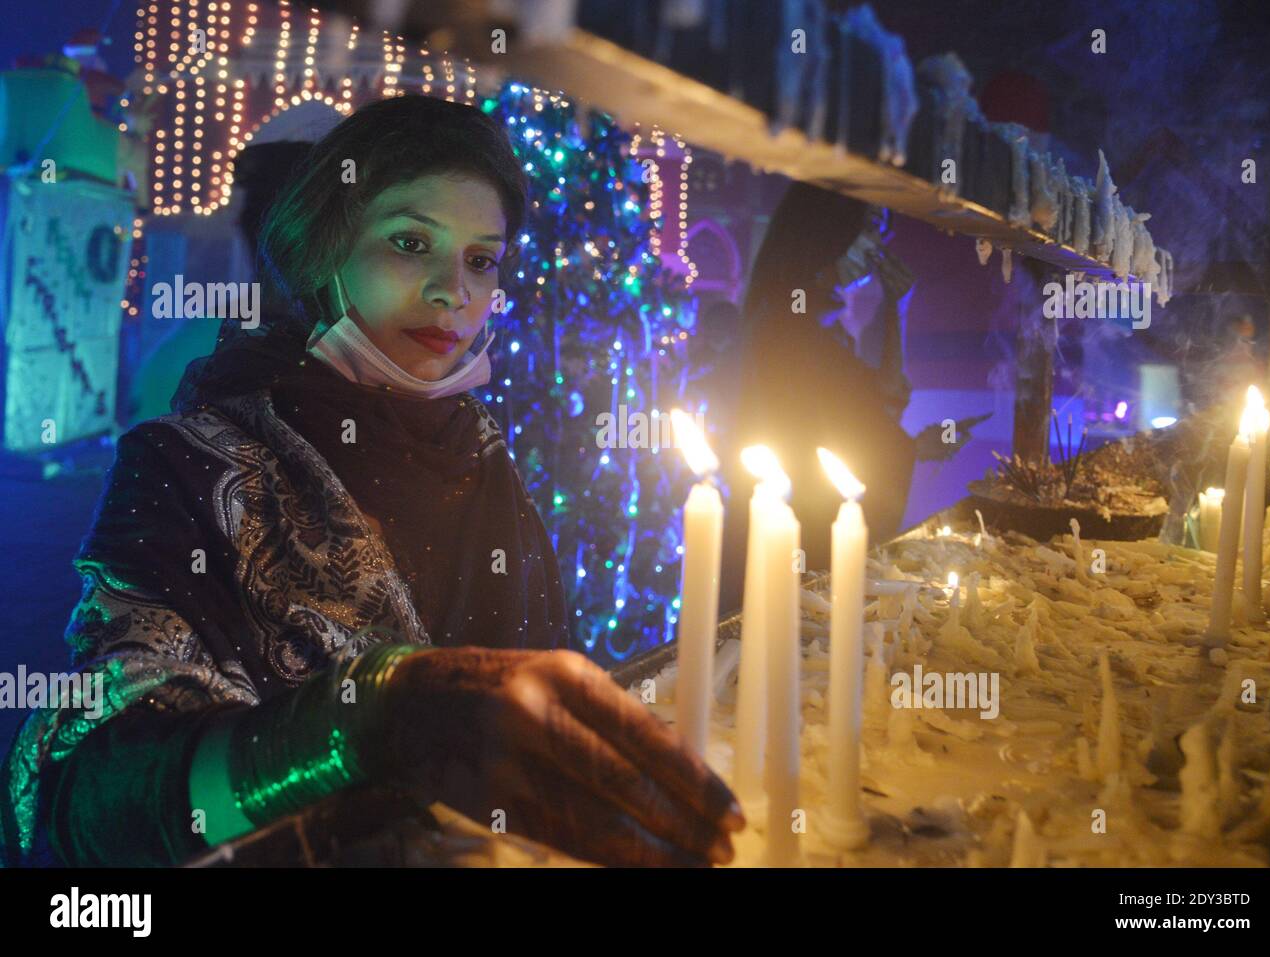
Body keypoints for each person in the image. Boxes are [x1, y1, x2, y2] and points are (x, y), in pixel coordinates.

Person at [0, 95, 742, 868]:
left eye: (481, 258)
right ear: (327, 247)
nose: (453, 291)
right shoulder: (186, 464)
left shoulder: (486, 458)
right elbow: (90, 796)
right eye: (411, 241)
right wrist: (370, 719)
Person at [719, 182, 975, 613]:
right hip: (794, 536)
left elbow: (875, 408)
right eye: (871, 226)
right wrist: (907, 448)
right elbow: (822, 439)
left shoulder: (813, 314)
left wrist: (899, 309)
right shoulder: (788, 319)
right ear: (829, 230)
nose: (880, 244)